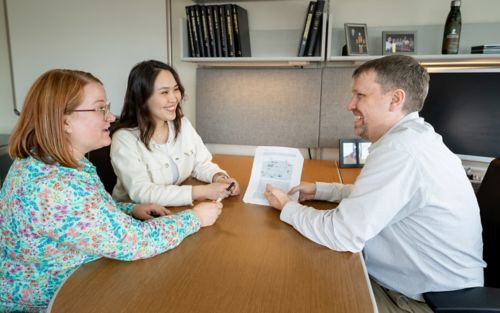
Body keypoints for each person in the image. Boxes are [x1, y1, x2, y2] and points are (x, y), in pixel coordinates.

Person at [264, 55, 485, 313]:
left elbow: (342, 234)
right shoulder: (413, 140)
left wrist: (287, 207)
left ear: (395, 99)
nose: (350, 105)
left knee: (294, 292)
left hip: (421, 302)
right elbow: (376, 197)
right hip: (416, 286)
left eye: (360, 95)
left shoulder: (402, 151)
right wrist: (320, 189)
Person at [0, 69, 222, 312]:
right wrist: (195, 218)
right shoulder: (54, 186)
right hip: (50, 300)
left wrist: (129, 208)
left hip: (77, 277)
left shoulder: (51, 161)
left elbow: (83, 215)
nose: (111, 116)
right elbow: (133, 242)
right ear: (65, 122)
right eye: (100, 109)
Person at [110, 60, 240, 207]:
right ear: (142, 98)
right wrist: (203, 191)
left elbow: (201, 163)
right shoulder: (124, 139)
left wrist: (220, 178)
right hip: (135, 218)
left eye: (176, 89)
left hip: (174, 210)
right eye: (164, 92)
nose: (174, 98)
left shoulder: (182, 124)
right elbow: (143, 193)